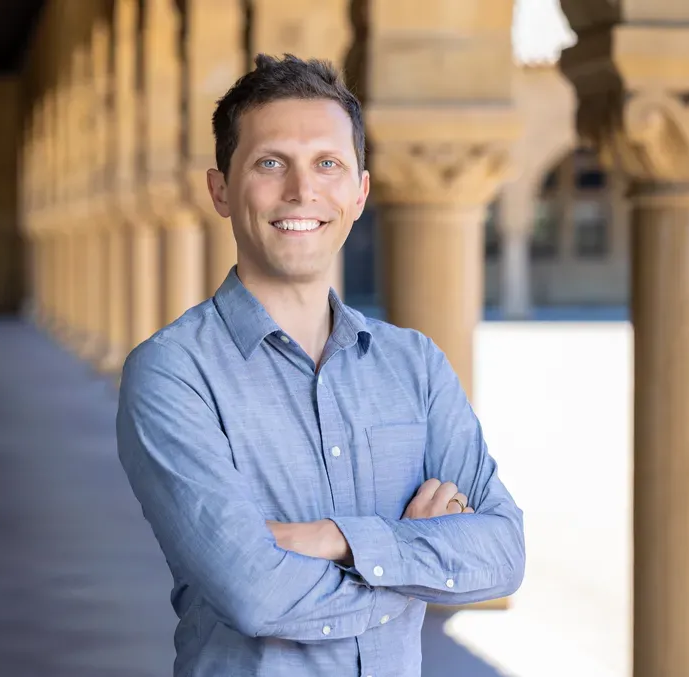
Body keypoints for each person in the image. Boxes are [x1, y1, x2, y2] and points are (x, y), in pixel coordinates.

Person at [116, 54, 525, 677]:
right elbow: (255, 594)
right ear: (221, 189)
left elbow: (502, 553)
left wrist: (334, 538)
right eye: (270, 163)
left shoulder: (414, 365)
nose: (302, 191)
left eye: (327, 164)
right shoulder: (173, 374)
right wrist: (416, 563)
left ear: (359, 192)